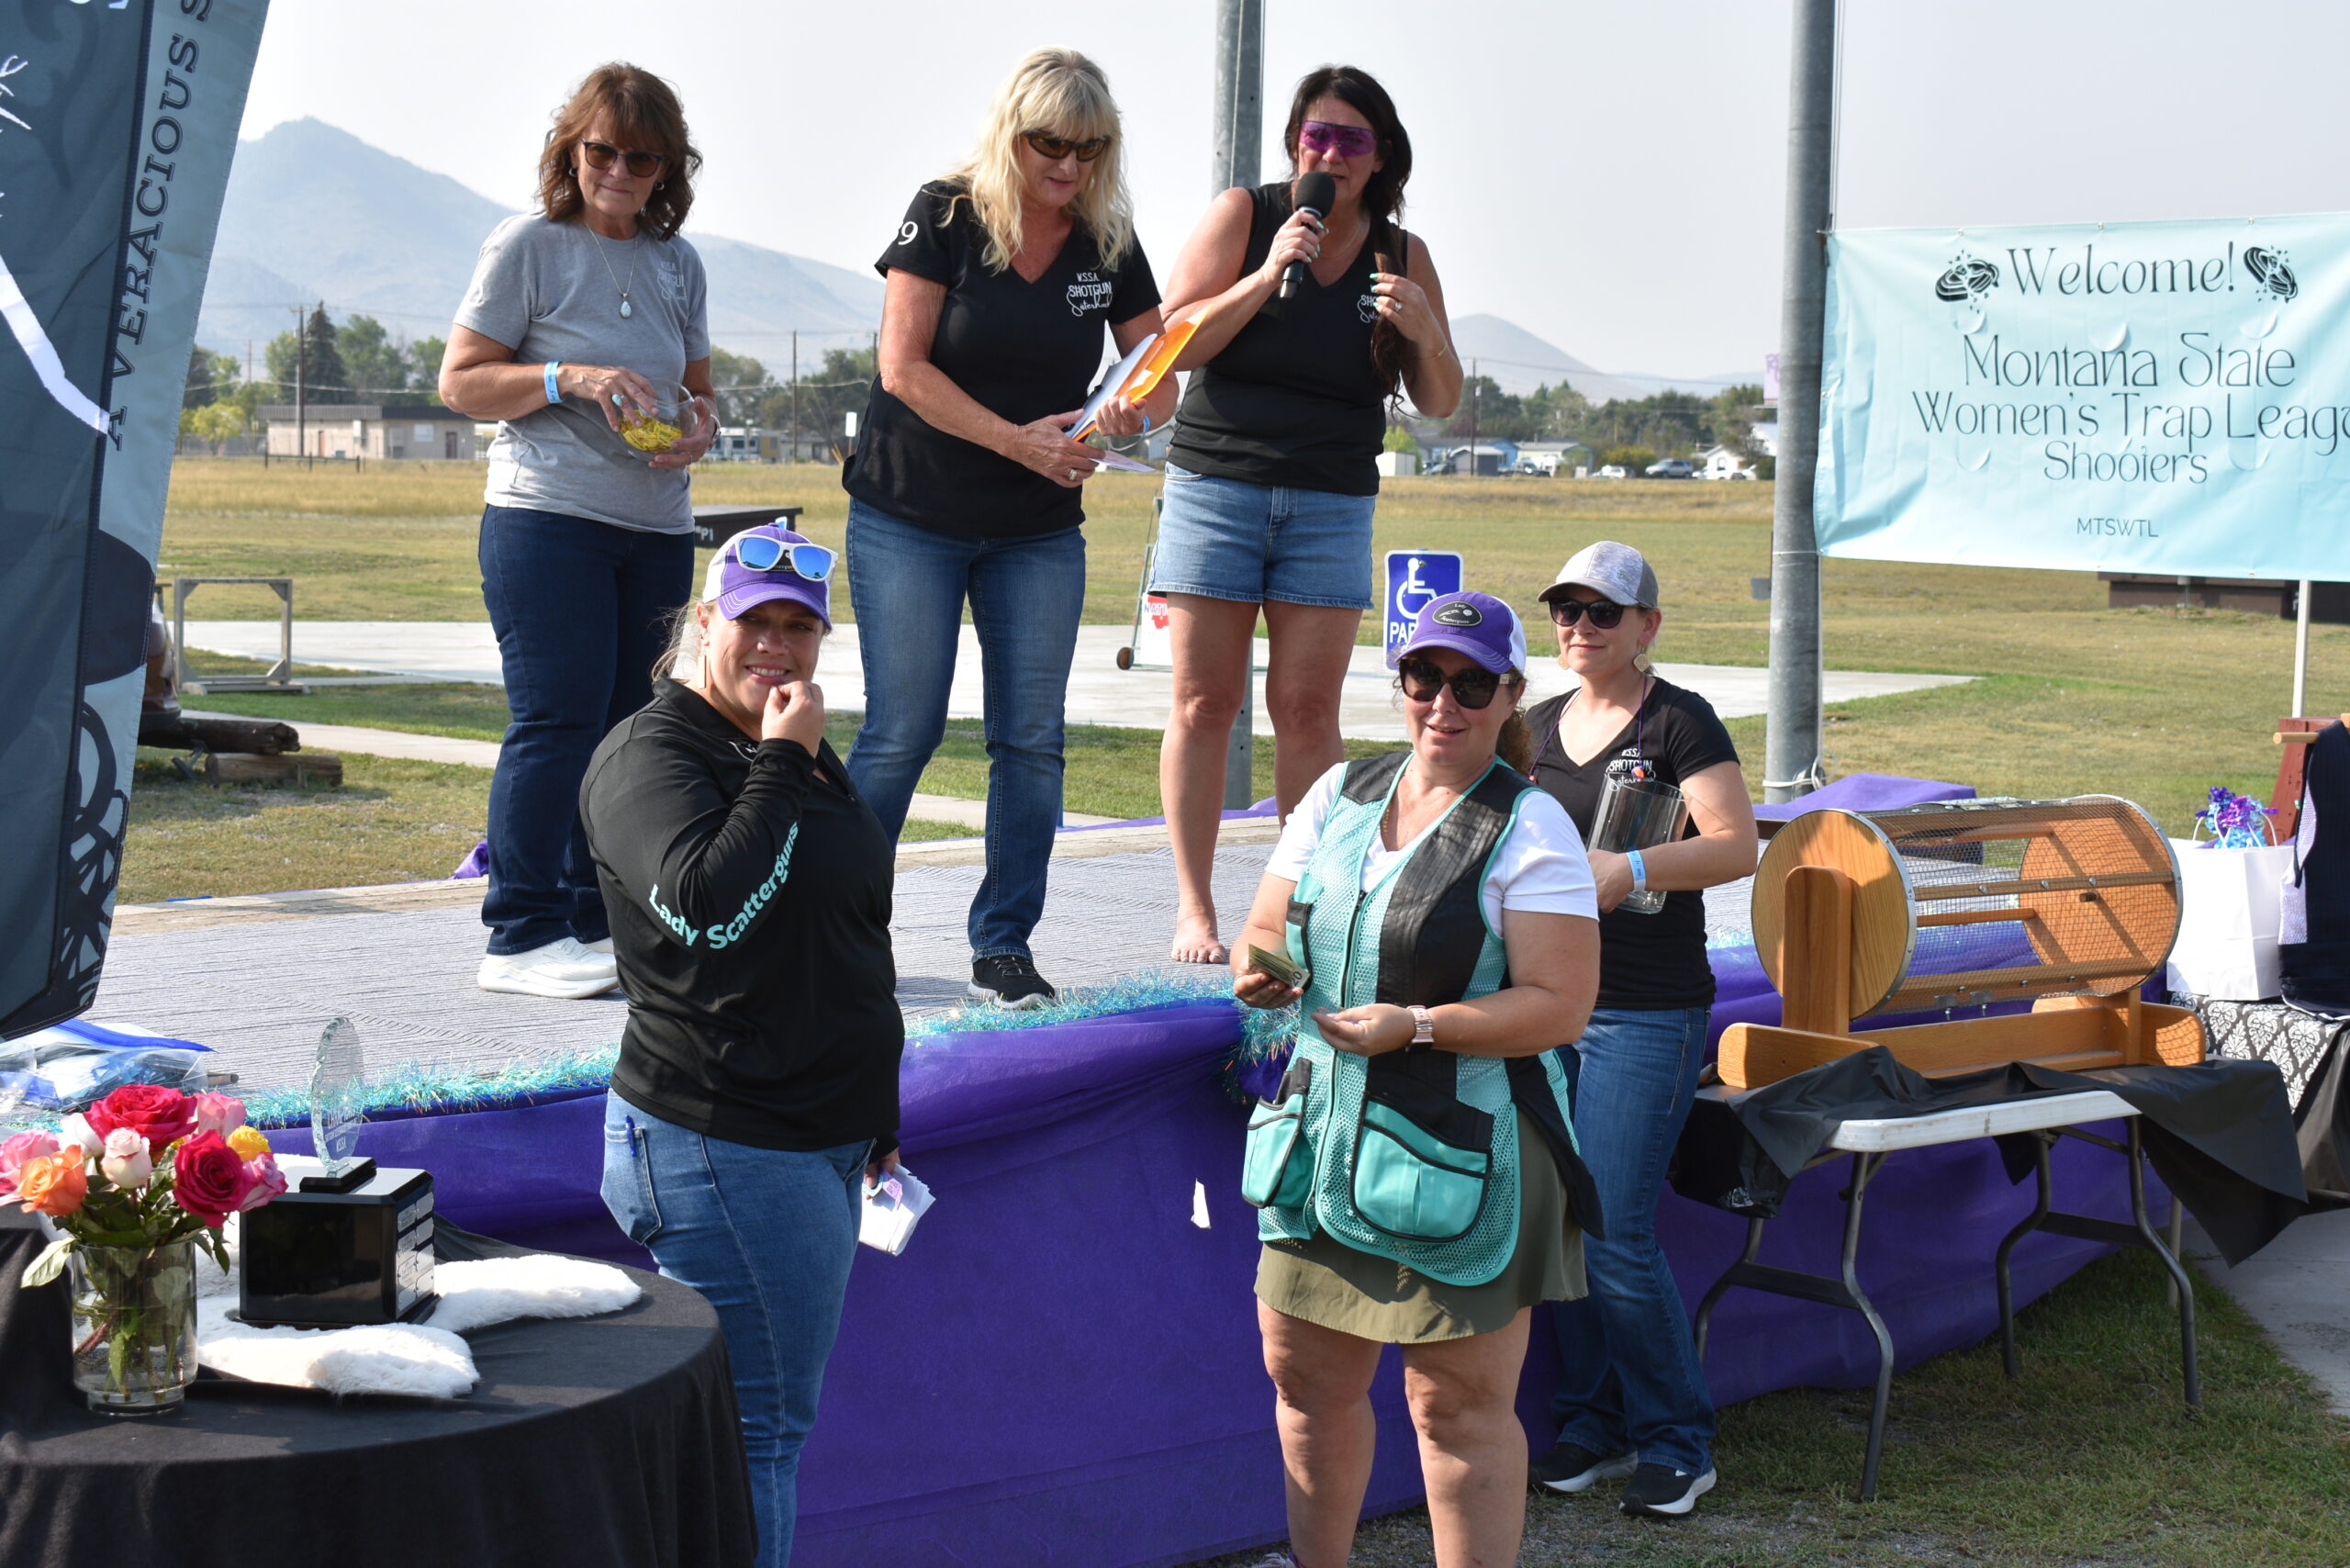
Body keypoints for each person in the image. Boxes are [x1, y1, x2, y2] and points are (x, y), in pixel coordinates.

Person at [1230, 591, 1601, 1568]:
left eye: (1472, 684)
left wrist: (1420, 1026)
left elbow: (1560, 1006)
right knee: (1304, 1381)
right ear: (1399, 682)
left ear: (1511, 695)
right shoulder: (1340, 791)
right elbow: (1265, 924)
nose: (1444, 701)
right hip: (1318, 1143)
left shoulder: (1531, 824)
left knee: (1456, 1409)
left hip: (1462, 1152)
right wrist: (1261, 967)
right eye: (1425, 676)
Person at [583, 524, 901, 1568]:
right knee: (754, 1436)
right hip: (726, 1140)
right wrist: (783, 759)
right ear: (701, 623)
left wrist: (875, 1110)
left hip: (816, 1133)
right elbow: (709, 909)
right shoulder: (653, 755)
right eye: (752, 621)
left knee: (761, 1430)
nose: (776, 645)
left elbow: (845, 927)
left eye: (798, 627)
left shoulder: (775, 735)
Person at [844, 47, 1171, 1010]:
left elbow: (1161, 377)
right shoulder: (945, 212)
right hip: (912, 514)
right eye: (1048, 144)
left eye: (1089, 147)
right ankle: (835, 934)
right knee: (901, 732)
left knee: (1030, 742)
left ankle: (1003, 947)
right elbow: (902, 368)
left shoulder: (1108, 239)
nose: (1068, 164)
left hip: (1036, 531)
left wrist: (1124, 413)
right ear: (1009, 133)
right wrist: (1019, 442)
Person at [1155, 65, 1464, 966]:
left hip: (1330, 500)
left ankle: (1300, 909)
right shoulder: (1246, 215)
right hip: (1217, 487)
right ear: (1294, 144)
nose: (1329, 154)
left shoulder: (1402, 253)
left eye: (1350, 140)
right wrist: (1266, 274)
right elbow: (1172, 342)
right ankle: (1194, 909)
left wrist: (1424, 330)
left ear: (1380, 156)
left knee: (1304, 709)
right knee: (1204, 702)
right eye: (1315, 137)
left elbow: (1439, 400)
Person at [441, 62, 717, 999]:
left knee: (628, 732)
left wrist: (700, 427)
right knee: (557, 720)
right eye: (603, 152)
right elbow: (461, 382)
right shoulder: (528, 245)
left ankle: (600, 924)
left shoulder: (679, 263)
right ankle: (520, 933)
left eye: (644, 159)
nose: (620, 173)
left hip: (657, 527)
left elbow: (699, 391)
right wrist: (569, 378)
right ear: (571, 150)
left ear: (668, 167)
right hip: (546, 519)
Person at [1521, 540, 1758, 1518]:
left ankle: (1676, 1441)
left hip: (1643, 1014)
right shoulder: (1534, 725)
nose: (1579, 627)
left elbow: (1737, 845)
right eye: (1566, 610)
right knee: (1562, 1223)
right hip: (1547, 1006)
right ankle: (1593, 1421)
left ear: (1647, 626)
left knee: (1614, 1230)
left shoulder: (1678, 721)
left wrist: (1637, 868)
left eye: (1602, 612)